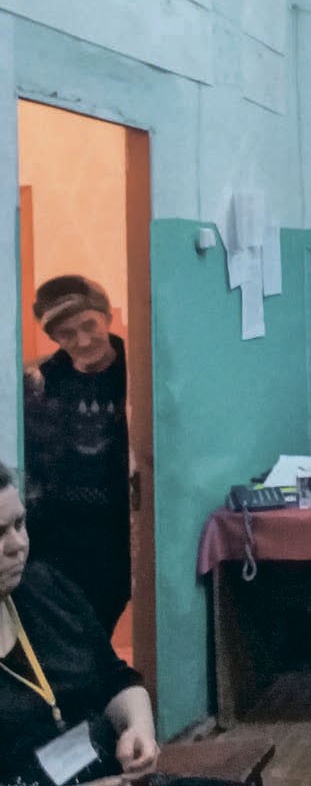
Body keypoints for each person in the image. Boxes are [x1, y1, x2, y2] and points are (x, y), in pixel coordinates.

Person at [0, 461, 159, 786]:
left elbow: (115, 680)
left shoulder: (46, 589)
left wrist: (139, 728)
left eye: (19, 523)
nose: (18, 544)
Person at [22, 275, 131, 634]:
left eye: (89, 325)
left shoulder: (138, 372)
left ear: (107, 317)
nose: (82, 341)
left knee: (100, 624)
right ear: (54, 338)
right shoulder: (39, 381)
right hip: (56, 534)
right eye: (66, 334)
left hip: (118, 530)